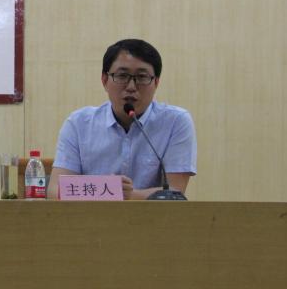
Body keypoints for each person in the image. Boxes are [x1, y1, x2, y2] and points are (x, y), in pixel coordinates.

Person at [49, 39, 196, 200]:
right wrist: (108, 190)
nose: (131, 86)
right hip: (91, 215)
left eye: (142, 77)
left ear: (156, 83)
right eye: (122, 76)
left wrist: (127, 195)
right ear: (104, 80)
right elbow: (55, 190)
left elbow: (175, 192)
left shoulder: (175, 122)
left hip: (151, 216)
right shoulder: (78, 124)